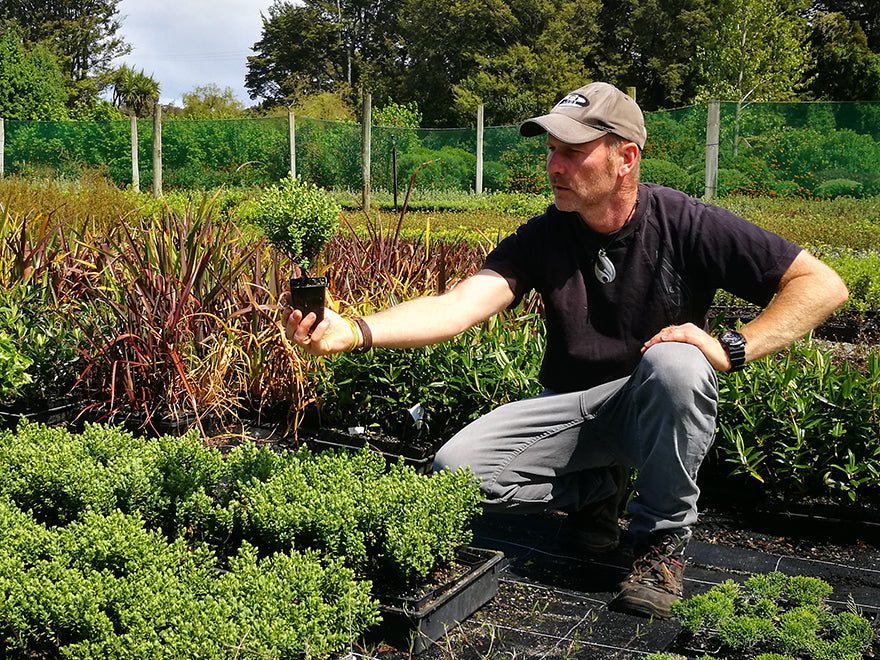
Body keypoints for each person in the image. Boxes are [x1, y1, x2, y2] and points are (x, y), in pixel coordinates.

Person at [282, 82, 848, 619]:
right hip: (575, 412)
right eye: (551, 150)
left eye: (573, 152)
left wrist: (734, 345)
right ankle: (602, 490)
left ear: (625, 157)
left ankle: (660, 545)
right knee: (455, 470)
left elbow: (822, 285)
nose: (554, 166)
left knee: (678, 361)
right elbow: (459, 305)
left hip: (650, 405)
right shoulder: (544, 235)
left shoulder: (687, 223)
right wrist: (354, 330)